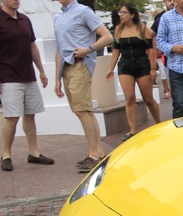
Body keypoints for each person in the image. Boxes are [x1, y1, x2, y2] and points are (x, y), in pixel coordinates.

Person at [54, 0, 113, 173]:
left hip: (80, 64)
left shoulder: (83, 11)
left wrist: (88, 49)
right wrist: (57, 77)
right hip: (66, 66)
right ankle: (98, 152)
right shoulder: (58, 16)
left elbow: (107, 36)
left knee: (82, 109)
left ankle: (94, 154)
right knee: (83, 110)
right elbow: (59, 48)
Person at [0, 0, 53, 172]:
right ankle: (6, 155)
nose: (17, 0)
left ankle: (34, 153)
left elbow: (33, 46)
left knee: (30, 115)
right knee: (12, 117)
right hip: (8, 76)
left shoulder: (24, 19)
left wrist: (41, 70)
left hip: (28, 76)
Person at [106, 3, 161, 142]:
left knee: (148, 98)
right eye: (120, 13)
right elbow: (116, 51)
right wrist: (110, 69)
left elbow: (150, 50)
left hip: (142, 64)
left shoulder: (142, 29)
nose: (121, 15)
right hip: (125, 65)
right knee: (129, 98)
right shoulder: (118, 29)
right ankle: (132, 130)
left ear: (132, 15)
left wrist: (153, 68)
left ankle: (159, 124)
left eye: (124, 13)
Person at [151, 9, 171, 99]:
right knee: (163, 72)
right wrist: (154, 57)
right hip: (160, 54)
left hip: (168, 53)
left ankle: (170, 89)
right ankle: (166, 90)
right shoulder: (156, 30)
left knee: (169, 72)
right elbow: (153, 43)